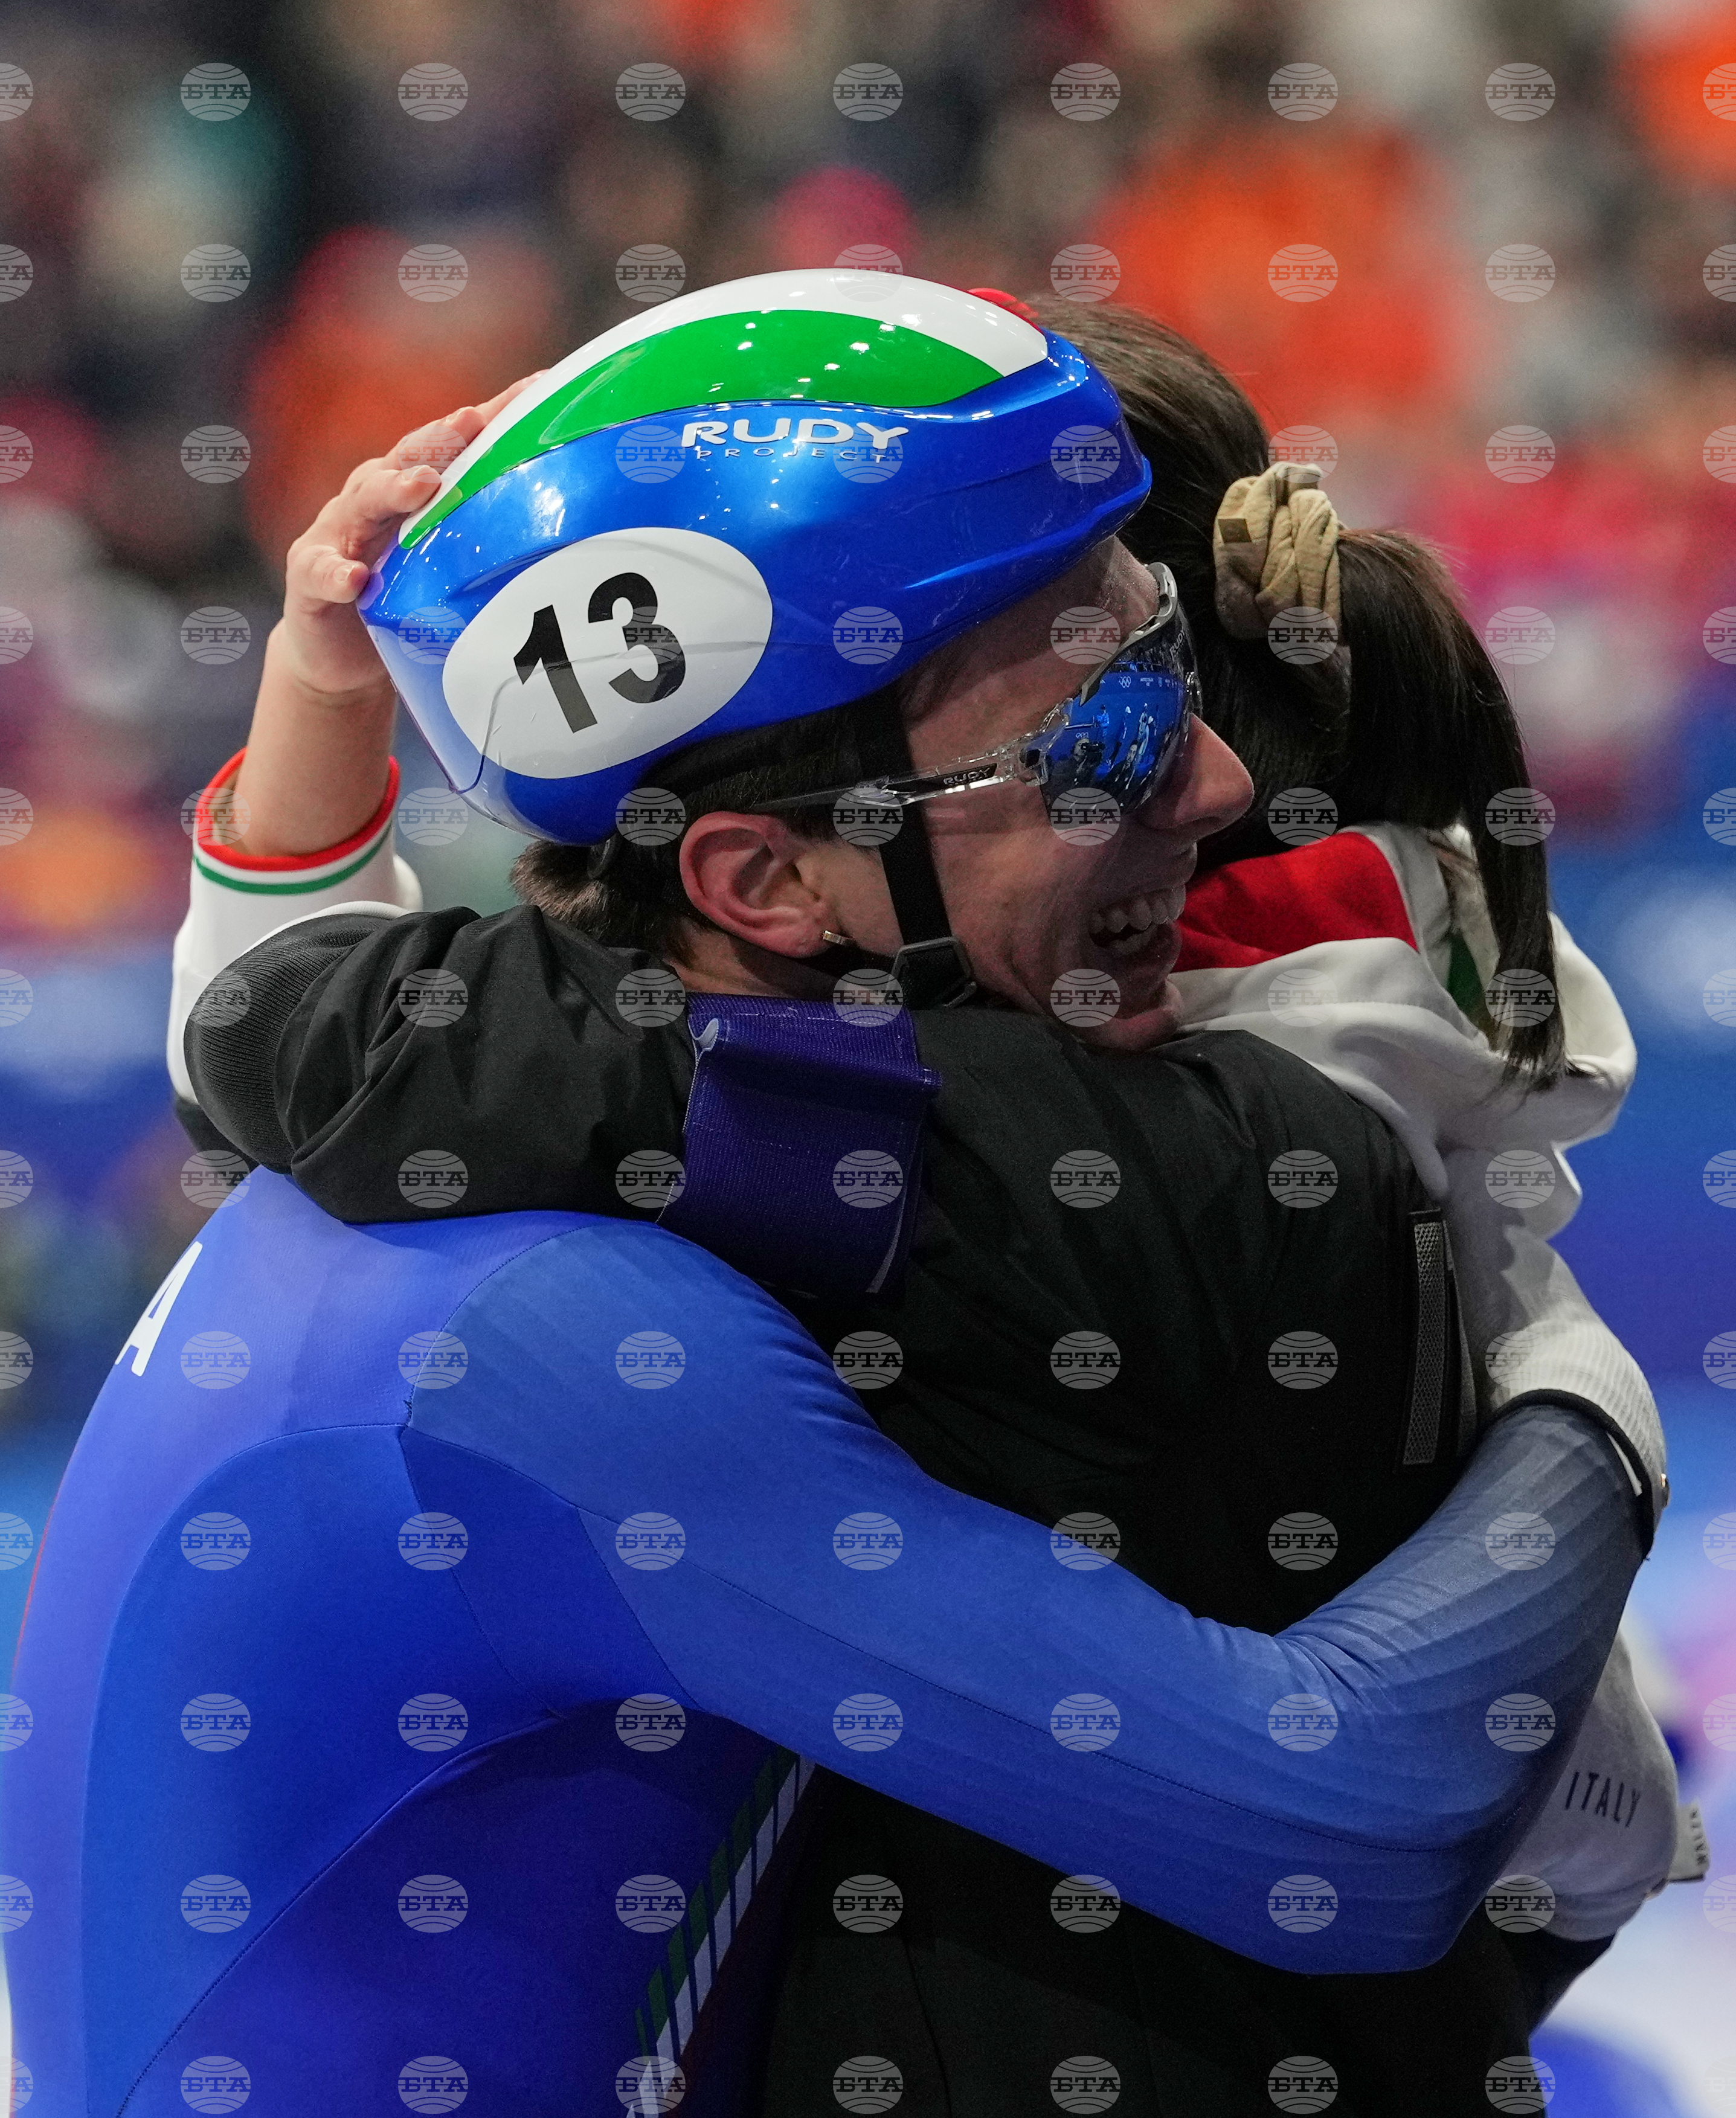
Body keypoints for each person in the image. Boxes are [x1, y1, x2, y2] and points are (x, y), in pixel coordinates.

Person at [9, 275, 1652, 2116]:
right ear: (765, 886)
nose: (1204, 776)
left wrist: (325, 698)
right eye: (1099, 742)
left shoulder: (522, 1173)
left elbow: (287, 1032)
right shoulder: (603, 1324)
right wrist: (1581, 1399)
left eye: (1168, 670)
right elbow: (1355, 1828)